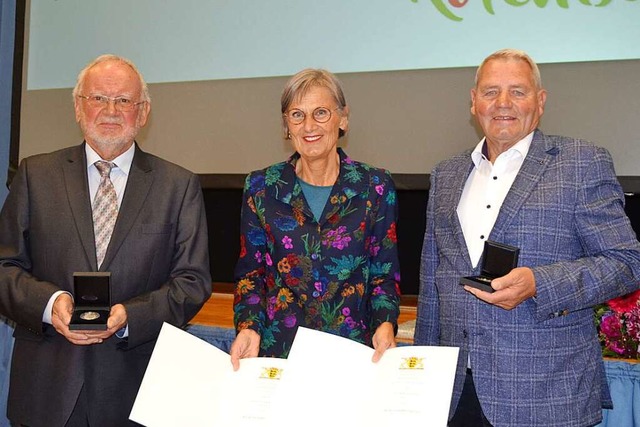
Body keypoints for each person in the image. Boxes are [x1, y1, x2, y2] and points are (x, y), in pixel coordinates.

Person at [414, 48, 640, 427]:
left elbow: (626, 262)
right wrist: (421, 377)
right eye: (490, 92)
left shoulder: (581, 162)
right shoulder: (447, 174)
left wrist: (540, 283)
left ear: (541, 101)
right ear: (473, 102)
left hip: (546, 397)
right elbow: (431, 282)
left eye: (517, 91)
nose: (503, 103)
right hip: (454, 396)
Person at [0, 54, 212, 427]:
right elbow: (4, 268)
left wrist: (130, 316)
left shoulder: (177, 186)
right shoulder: (36, 174)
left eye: (124, 101)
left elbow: (192, 283)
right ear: (78, 107)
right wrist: (51, 304)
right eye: (98, 98)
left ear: (143, 112)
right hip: (45, 389)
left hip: (134, 391)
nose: (111, 110)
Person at [230, 69, 401, 367]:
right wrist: (248, 326)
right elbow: (250, 275)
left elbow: (384, 274)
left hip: (353, 354)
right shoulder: (261, 187)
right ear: (287, 125)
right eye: (297, 115)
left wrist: (385, 323)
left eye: (321, 113)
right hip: (281, 353)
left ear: (343, 118)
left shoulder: (375, 185)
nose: (309, 125)